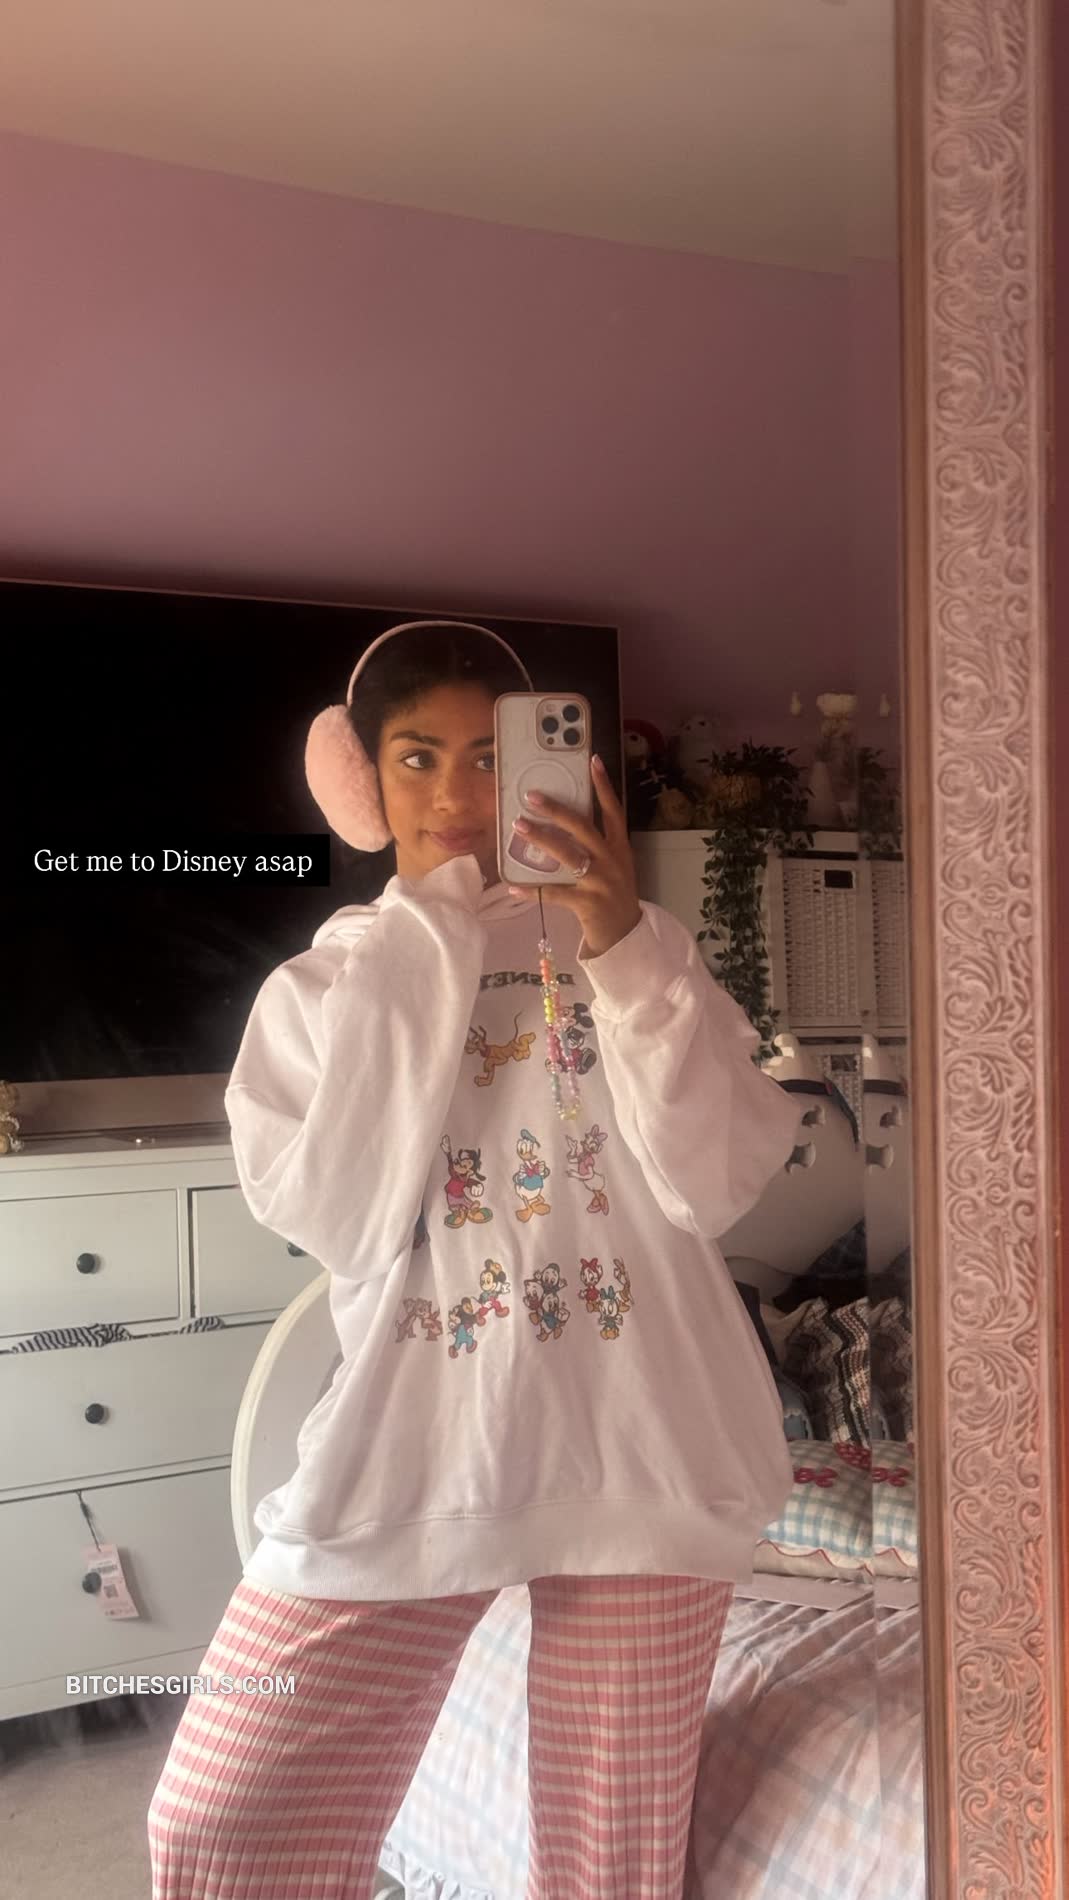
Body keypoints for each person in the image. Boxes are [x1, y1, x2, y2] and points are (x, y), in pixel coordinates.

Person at [148, 620, 802, 1900]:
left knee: (605, 1873)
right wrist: (422, 937)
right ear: (363, 786)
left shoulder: (640, 949)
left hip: (650, 1448)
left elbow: (713, 1180)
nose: (456, 791)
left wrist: (622, 944)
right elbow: (341, 1215)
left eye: (491, 754)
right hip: (416, 1452)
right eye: (417, 756)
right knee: (216, 1826)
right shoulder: (321, 989)